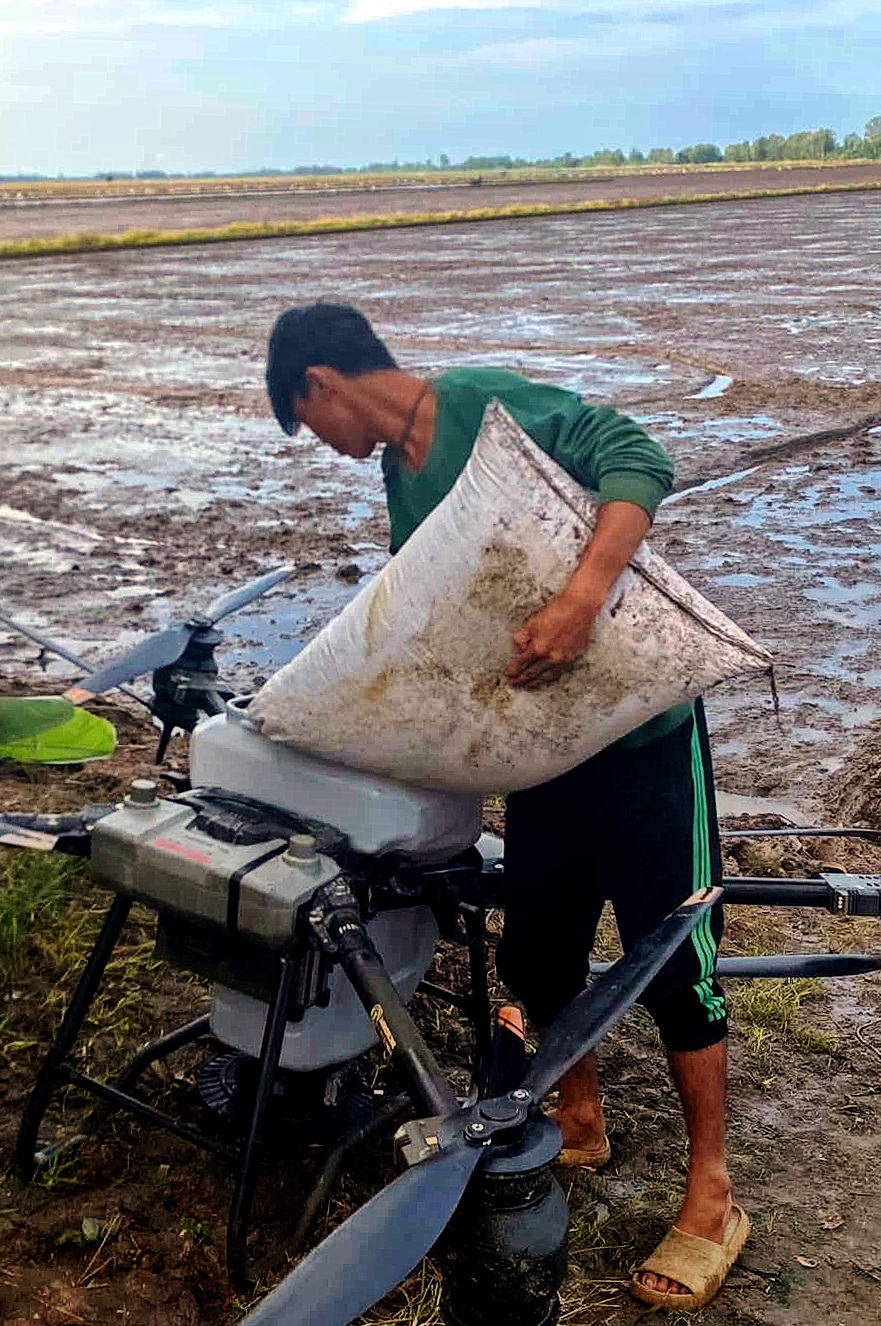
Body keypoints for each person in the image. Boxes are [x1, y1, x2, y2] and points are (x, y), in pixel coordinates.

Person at [264, 301, 749, 1310]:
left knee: (674, 962)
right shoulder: (403, 477)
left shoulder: (489, 409)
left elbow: (637, 458)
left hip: (639, 740)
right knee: (536, 957)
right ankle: (580, 1115)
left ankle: (713, 1196)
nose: (331, 448)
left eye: (314, 428)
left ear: (320, 384)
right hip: (544, 758)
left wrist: (581, 599)